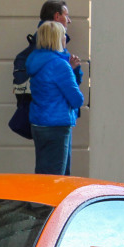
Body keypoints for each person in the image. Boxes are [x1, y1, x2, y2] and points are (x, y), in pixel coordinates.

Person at [27, 20, 85, 175]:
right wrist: (72, 71)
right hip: (57, 126)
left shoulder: (35, 60)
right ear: (57, 38)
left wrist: (70, 70)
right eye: (63, 35)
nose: (65, 38)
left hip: (39, 123)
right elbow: (77, 100)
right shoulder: (59, 65)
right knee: (57, 178)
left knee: (43, 173)